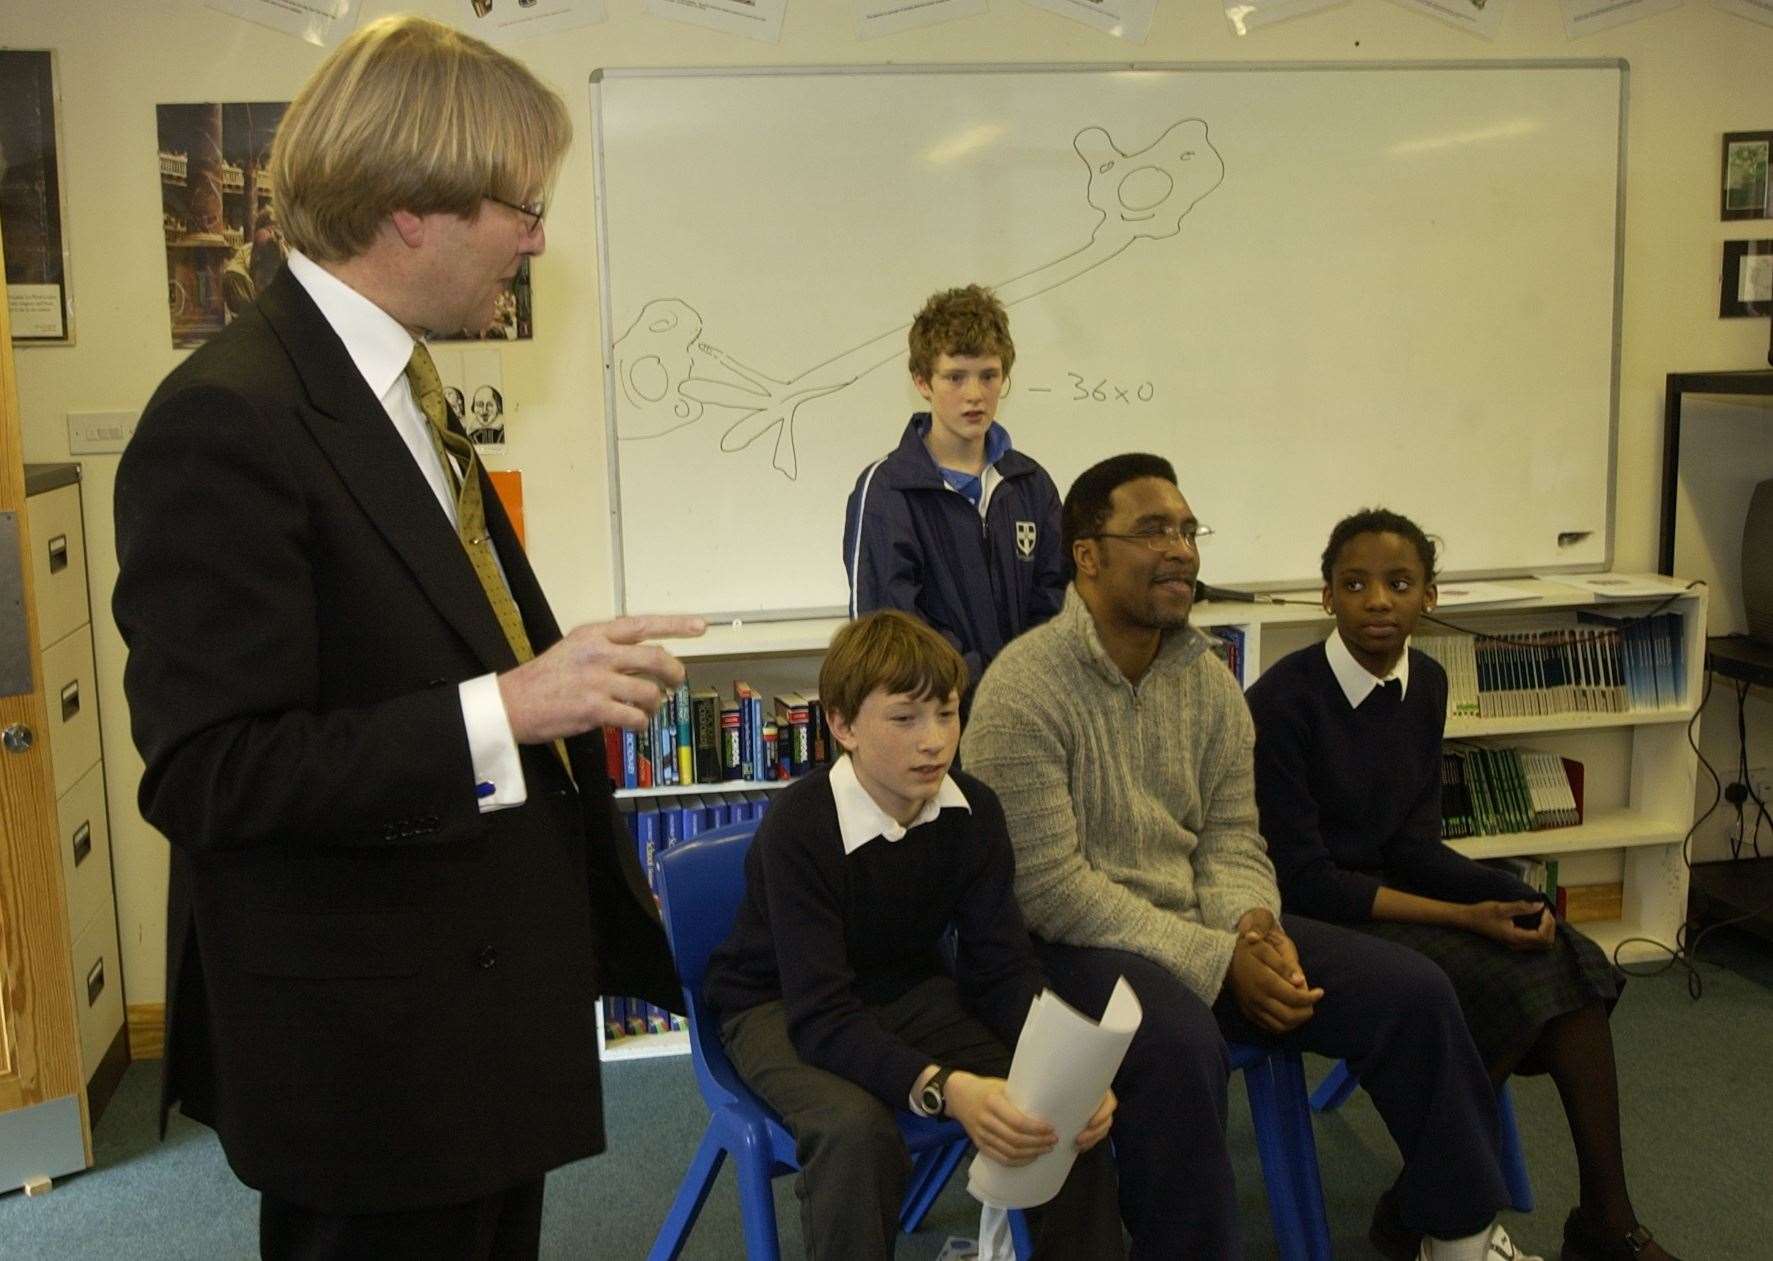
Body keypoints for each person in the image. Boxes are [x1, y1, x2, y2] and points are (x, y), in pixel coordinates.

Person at [111, 17, 703, 1259]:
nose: (539, 239)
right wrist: (512, 708)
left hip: (471, 1024)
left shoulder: (394, 387)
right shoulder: (228, 418)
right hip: (374, 1060)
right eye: (521, 206)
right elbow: (212, 771)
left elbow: (411, 641)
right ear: (410, 209)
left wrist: (542, 674)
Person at [963, 453, 1540, 1261]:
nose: (1181, 550)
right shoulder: (1022, 690)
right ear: (1086, 555)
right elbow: (1050, 888)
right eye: (1152, 529)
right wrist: (1220, 957)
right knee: (1178, 1047)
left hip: (1205, 928)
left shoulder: (1206, 680)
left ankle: (1457, 1234)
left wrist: (1254, 924)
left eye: (1187, 529)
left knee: (1411, 989)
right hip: (1068, 948)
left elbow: (1235, 833)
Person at [1245, 508, 1681, 1261]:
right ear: (1325, 597)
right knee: (1474, 980)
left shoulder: (1427, 683)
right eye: (1354, 583)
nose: (1376, 600)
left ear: (1430, 598)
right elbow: (1306, 879)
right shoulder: (1283, 700)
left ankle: (1604, 1217)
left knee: (1559, 950)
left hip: (1388, 890)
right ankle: (1420, 1206)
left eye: (1398, 583)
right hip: (1312, 913)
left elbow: (1413, 842)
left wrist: (1503, 894)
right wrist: (1464, 913)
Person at [704, 610, 1123, 1261]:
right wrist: (944, 1085)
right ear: (843, 726)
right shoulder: (800, 825)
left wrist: (1062, 1068)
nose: (934, 741)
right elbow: (820, 1013)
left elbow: (1002, 970)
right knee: (855, 1132)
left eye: (947, 713)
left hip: (903, 990)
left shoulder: (973, 810)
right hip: (777, 1003)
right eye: (904, 718)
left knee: (1057, 1108)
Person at [842, 284, 1066, 703]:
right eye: (955, 377)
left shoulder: (1031, 485)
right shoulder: (887, 489)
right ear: (922, 381)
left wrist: (1024, 687)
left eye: (988, 375)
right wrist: (981, 682)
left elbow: (1055, 608)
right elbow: (888, 627)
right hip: (932, 718)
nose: (975, 394)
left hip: (1025, 715)